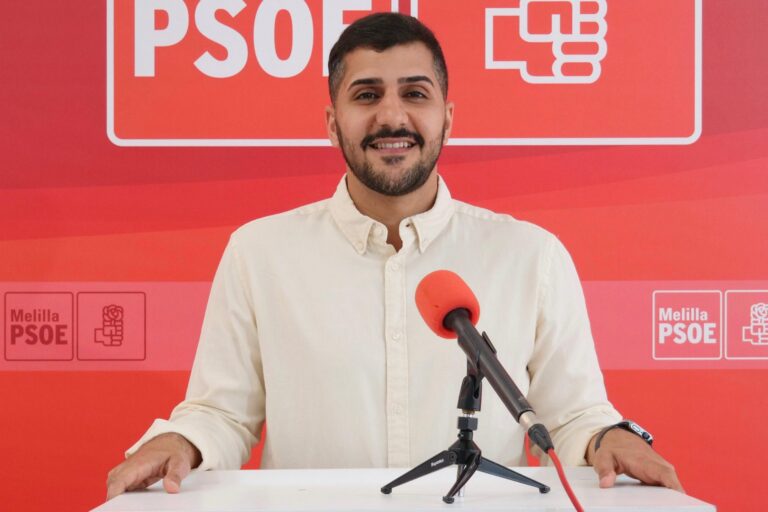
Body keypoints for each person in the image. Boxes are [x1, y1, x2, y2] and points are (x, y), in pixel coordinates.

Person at [106, 12, 682, 500]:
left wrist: (611, 440)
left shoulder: (530, 255)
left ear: (447, 119)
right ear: (333, 124)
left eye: (414, 93)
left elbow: (572, 414)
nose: (391, 117)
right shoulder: (260, 253)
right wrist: (178, 441)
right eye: (366, 95)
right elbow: (224, 415)